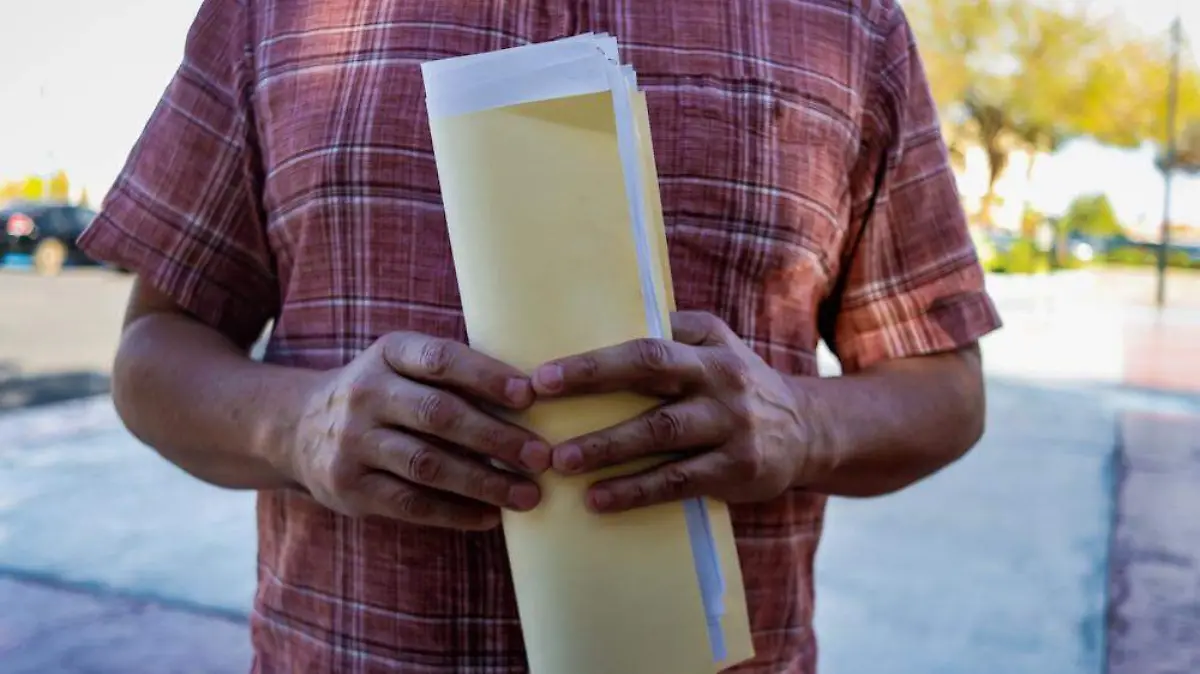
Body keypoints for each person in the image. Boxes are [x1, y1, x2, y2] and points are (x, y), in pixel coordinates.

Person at [78, 0, 1002, 671]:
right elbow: (153, 355)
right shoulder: (270, 13)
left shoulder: (848, 24)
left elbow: (946, 390)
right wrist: (298, 426)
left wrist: (803, 423)